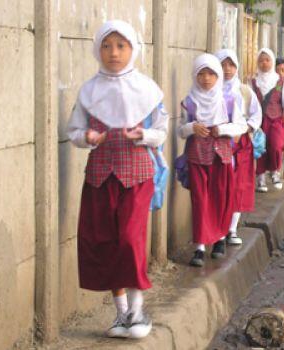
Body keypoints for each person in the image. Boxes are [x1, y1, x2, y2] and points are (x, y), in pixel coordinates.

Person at [67, 20, 168, 339]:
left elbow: (161, 132)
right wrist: (87, 137)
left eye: (121, 45)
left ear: (133, 49)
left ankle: (139, 311)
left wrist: (143, 135)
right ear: (98, 50)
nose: (113, 52)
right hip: (99, 177)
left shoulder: (148, 91)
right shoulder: (89, 91)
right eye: (107, 46)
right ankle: (121, 313)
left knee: (129, 239)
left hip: (137, 176)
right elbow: (73, 132)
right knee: (106, 240)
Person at [178, 54, 248, 267]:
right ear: (194, 75)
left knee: (220, 198)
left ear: (218, 76)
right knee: (200, 200)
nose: (206, 78)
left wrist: (221, 129)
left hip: (222, 157)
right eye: (201, 73)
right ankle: (199, 247)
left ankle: (218, 239)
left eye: (211, 73)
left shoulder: (230, 100)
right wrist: (192, 128)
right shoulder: (189, 101)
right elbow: (180, 130)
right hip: (197, 156)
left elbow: (241, 126)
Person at [215, 49, 263, 247]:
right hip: (218, 145)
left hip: (241, 145)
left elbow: (256, 115)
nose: (227, 69)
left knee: (239, 186)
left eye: (231, 65)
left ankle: (232, 229)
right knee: (221, 187)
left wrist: (247, 129)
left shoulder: (244, 91)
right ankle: (218, 228)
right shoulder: (210, 90)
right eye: (223, 65)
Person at [252, 48, 284, 192]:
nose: (264, 63)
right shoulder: (253, 82)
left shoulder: (279, 82)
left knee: (276, 146)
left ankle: (275, 172)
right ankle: (261, 179)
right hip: (258, 123)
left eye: (267, 60)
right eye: (261, 60)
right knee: (260, 149)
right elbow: (248, 104)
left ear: (272, 61)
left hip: (276, 121)